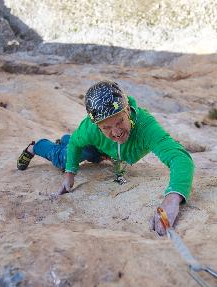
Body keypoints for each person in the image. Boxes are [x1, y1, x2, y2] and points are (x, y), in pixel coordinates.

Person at [17, 80, 194, 235]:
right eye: (106, 128)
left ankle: (65, 140)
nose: (116, 132)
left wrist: (172, 199)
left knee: (90, 153)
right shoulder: (90, 128)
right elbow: (76, 145)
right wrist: (70, 173)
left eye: (120, 122)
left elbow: (180, 158)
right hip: (94, 148)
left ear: (127, 110)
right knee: (63, 158)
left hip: (104, 153)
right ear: (97, 126)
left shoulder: (145, 126)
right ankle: (36, 147)